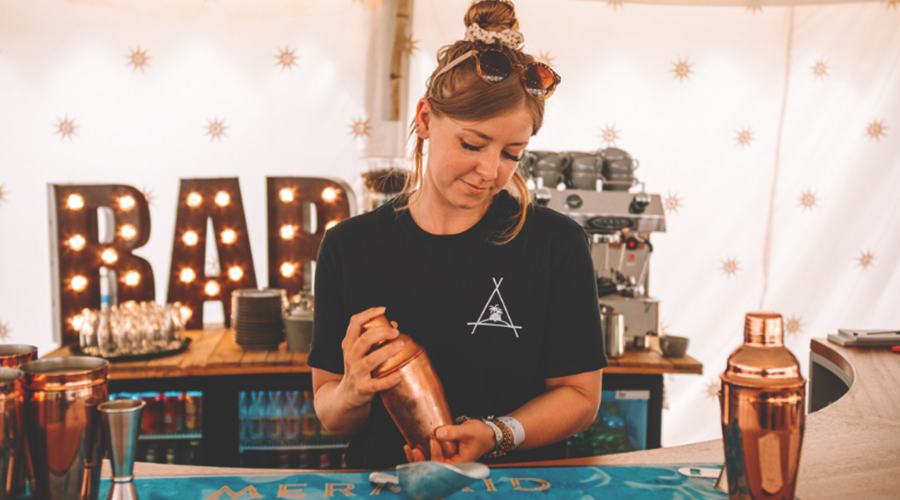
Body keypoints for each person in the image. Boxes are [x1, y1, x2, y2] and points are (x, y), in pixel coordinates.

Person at [308, 0, 606, 469]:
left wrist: (496, 434)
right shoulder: (349, 246)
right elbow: (332, 415)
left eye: (512, 153)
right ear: (425, 119)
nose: (489, 171)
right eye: (472, 144)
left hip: (517, 488)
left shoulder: (555, 245)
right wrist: (352, 389)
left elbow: (580, 397)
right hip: (386, 486)